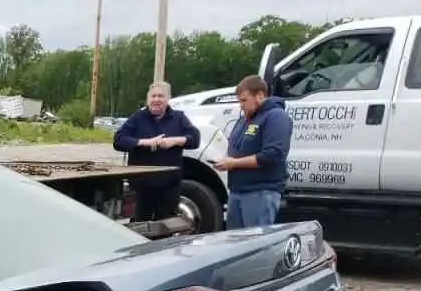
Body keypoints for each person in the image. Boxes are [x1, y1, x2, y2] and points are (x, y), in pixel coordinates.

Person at [113, 81, 201, 222]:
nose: (156, 100)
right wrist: (144, 142)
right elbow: (118, 140)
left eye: (161, 96)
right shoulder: (137, 117)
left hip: (169, 187)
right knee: (139, 228)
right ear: (148, 98)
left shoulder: (179, 118)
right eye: (153, 96)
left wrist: (175, 141)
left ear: (168, 98)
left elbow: (195, 139)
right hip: (141, 187)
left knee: (166, 227)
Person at [213, 76, 293, 229]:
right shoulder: (245, 119)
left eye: (244, 100)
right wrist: (226, 160)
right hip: (237, 191)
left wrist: (234, 163)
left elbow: (272, 155)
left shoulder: (276, 116)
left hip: (260, 192)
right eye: (239, 101)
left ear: (260, 95)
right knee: (234, 244)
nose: (241, 106)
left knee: (256, 245)